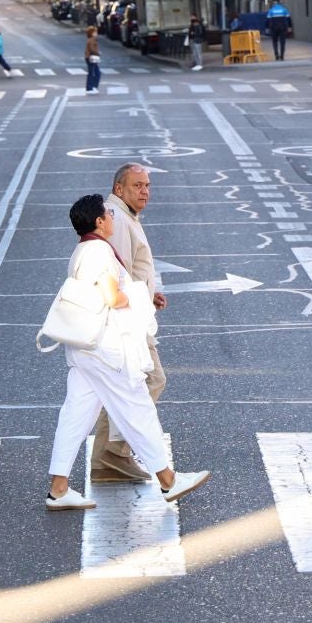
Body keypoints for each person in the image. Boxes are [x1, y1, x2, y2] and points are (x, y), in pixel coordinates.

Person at [45, 193, 210, 511]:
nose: (112, 217)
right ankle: (169, 481)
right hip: (105, 349)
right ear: (98, 221)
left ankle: (59, 489)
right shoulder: (99, 251)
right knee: (137, 409)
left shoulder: (81, 251)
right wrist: (137, 294)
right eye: (108, 213)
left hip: (83, 347)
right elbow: (112, 297)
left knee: (75, 417)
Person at [91, 164, 168, 483]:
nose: (145, 191)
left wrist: (151, 291)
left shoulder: (124, 215)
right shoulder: (118, 219)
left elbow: (131, 266)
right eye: (137, 185)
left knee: (123, 387)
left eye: (147, 185)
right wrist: (127, 311)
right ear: (119, 188)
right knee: (150, 380)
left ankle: (105, 461)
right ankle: (115, 451)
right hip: (126, 319)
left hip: (131, 312)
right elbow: (113, 271)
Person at [84, 25, 101, 93]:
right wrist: (98, 53)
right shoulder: (91, 40)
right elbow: (92, 49)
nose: (96, 33)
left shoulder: (91, 40)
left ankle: (92, 87)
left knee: (94, 72)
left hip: (90, 57)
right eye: (95, 32)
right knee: (94, 73)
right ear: (92, 33)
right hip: (91, 57)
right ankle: (90, 87)